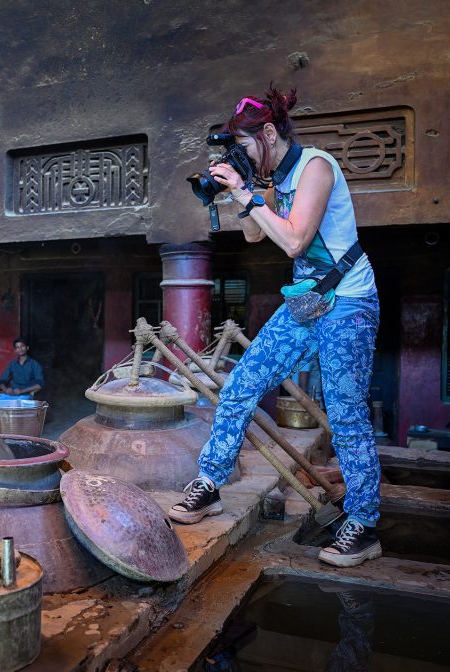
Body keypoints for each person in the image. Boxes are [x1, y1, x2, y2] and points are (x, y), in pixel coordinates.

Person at [168, 87, 382, 568]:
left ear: (268, 134)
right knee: (241, 384)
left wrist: (248, 193)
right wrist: (239, 191)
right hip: (307, 299)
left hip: (347, 299)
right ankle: (211, 485)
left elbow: (293, 241)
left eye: (243, 149)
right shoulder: (272, 177)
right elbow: (252, 232)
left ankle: (364, 525)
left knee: (346, 415)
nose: (241, 157)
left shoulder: (316, 168)